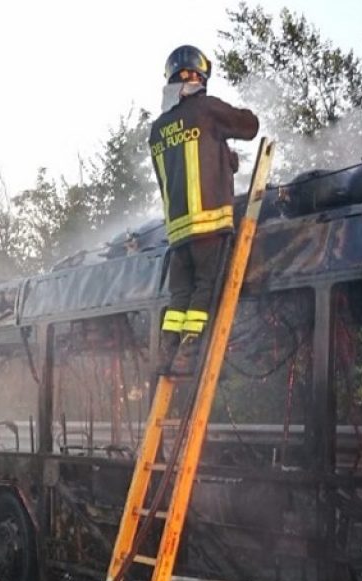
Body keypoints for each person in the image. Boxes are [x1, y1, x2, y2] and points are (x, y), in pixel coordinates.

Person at [150, 44, 259, 375]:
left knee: (178, 298)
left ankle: (165, 354)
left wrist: (224, 159)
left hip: (177, 234)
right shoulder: (206, 110)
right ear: (200, 76)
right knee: (205, 290)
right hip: (210, 226)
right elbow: (249, 126)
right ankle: (189, 353)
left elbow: (183, 167)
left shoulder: (157, 130)